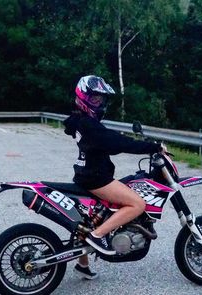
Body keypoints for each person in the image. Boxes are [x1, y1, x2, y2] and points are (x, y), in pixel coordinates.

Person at [64, 75, 164, 279]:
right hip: (96, 178)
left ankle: (83, 264)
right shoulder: (88, 124)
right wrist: (152, 147)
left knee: (87, 220)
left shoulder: (81, 121)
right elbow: (115, 142)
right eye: (94, 99)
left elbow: (108, 142)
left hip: (86, 175)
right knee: (137, 204)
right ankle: (98, 236)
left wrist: (126, 142)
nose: (99, 103)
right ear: (83, 97)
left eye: (101, 99)